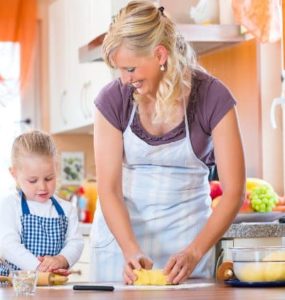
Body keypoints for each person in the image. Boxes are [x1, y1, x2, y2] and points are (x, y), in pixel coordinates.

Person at [90, 0, 245, 284]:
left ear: (160, 55)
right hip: (121, 247)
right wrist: (129, 249)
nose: (124, 80)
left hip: (187, 248)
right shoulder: (112, 100)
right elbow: (109, 189)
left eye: (130, 69)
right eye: (119, 70)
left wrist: (194, 252)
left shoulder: (214, 98)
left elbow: (235, 191)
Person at [0, 130, 84, 275]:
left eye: (49, 178)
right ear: (14, 174)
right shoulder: (9, 206)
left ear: (56, 169)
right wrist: (38, 267)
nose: (42, 187)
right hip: (16, 288)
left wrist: (61, 259)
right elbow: (8, 246)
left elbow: (75, 243)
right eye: (33, 180)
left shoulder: (66, 209)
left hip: (53, 287)